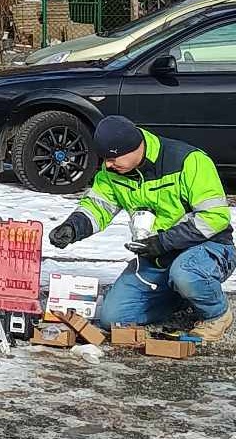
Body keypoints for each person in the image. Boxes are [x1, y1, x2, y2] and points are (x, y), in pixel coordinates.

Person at [48, 115, 236, 341]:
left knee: (185, 273)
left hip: (208, 247)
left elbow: (215, 217)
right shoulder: (113, 172)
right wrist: (73, 227)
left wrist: (163, 241)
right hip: (156, 256)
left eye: (112, 158)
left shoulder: (189, 161)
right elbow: (98, 207)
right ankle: (182, 294)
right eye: (104, 158)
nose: (107, 165)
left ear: (134, 148)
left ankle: (217, 315)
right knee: (113, 318)